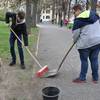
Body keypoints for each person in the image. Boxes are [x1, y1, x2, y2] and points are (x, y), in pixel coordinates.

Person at [72, 4, 100, 83]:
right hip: (97, 42)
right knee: (94, 60)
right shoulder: (95, 15)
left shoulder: (78, 20)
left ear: (78, 10)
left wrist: (74, 41)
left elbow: (75, 35)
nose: (74, 14)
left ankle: (82, 78)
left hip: (85, 44)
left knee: (84, 60)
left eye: (74, 12)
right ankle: (95, 78)